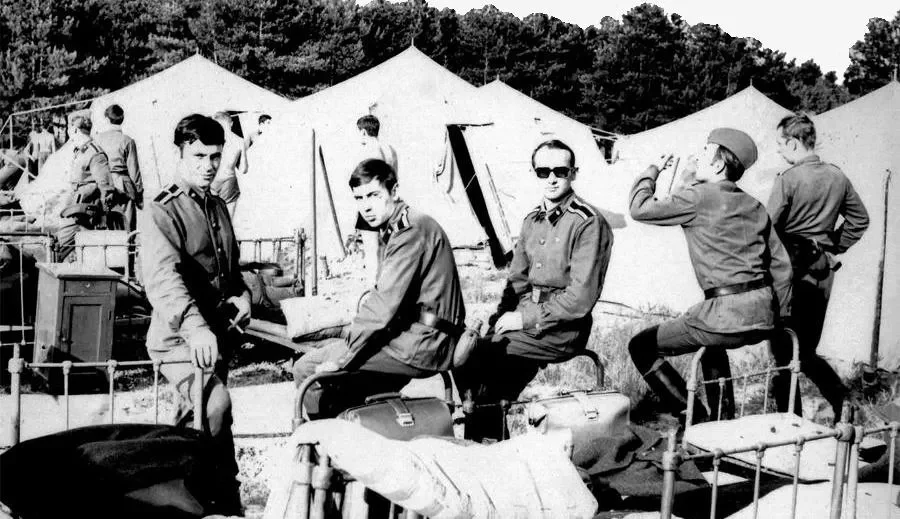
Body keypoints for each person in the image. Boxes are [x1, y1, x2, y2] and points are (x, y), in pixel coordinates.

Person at [627, 129, 792, 424]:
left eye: (704, 152)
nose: (695, 156)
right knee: (713, 343)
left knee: (640, 346)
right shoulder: (754, 204)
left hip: (722, 316)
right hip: (765, 315)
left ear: (717, 165)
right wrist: (776, 316)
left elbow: (640, 209)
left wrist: (653, 171)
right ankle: (721, 423)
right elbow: (782, 267)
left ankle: (697, 419)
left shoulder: (697, 197)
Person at [453, 139, 614, 442]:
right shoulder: (532, 220)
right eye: (543, 172)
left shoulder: (588, 223)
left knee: (485, 365)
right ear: (535, 173)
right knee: (468, 356)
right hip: (526, 322)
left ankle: (487, 451)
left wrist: (524, 319)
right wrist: (498, 320)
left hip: (563, 329)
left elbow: (580, 300)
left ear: (573, 173)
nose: (551, 178)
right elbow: (516, 281)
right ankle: (489, 448)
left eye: (560, 171)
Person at [138, 113, 251, 515]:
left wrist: (243, 296)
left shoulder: (216, 205)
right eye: (199, 156)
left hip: (213, 339)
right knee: (214, 406)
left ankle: (212, 500)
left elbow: (229, 269)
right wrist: (197, 328)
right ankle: (201, 502)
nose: (208, 165)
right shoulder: (162, 210)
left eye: (215, 157)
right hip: (177, 339)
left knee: (202, 423)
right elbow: (163, 280)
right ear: (180, 154)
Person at [292, 158, 466, 417]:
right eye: (359, 198)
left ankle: (333, 437)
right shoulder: (403, 226)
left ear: (394, 191)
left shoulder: (409, 232)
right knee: (341, 379)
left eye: (373, 195)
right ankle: (353, 427)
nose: (366, 206)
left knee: (307, 369)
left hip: (422, 343)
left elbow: (383, 306)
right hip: (421, 336)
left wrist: (344, 356)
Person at [768, 113, 869, 420]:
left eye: (780, 144)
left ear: (793, 143)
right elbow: (860, 220)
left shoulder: (787, 179)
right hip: (821, 273)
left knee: (784, 351)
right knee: (807, 348)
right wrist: (830, 246)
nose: (778, 150)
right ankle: (843, 403)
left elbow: (767, 227)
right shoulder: (838, 177)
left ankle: (791, 423)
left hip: (789, 273)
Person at [56, 111, 115, 260]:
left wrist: (103, 217)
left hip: (85, 210)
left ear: (75, 130)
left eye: (69, 129)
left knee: (61, 247)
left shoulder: (94, 153)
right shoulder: (82, 150)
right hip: (76, 207)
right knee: (68, 249)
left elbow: (106, 187)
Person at [94, 104, 143, 232]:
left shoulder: (97, 140)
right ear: (122, 119)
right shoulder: (127, 141)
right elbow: (134, 171)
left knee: (108, 225)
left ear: (107, 119)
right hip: (123, 185)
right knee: (127, 227)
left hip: (104, 185)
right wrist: (139, 195)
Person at [209, 111, 248, 217]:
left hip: (213, 182)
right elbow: (243, 169)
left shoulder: (212, 140)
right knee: (228, 220)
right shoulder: (240, 141)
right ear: (231, 124)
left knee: (211, 218)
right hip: (230, 183)